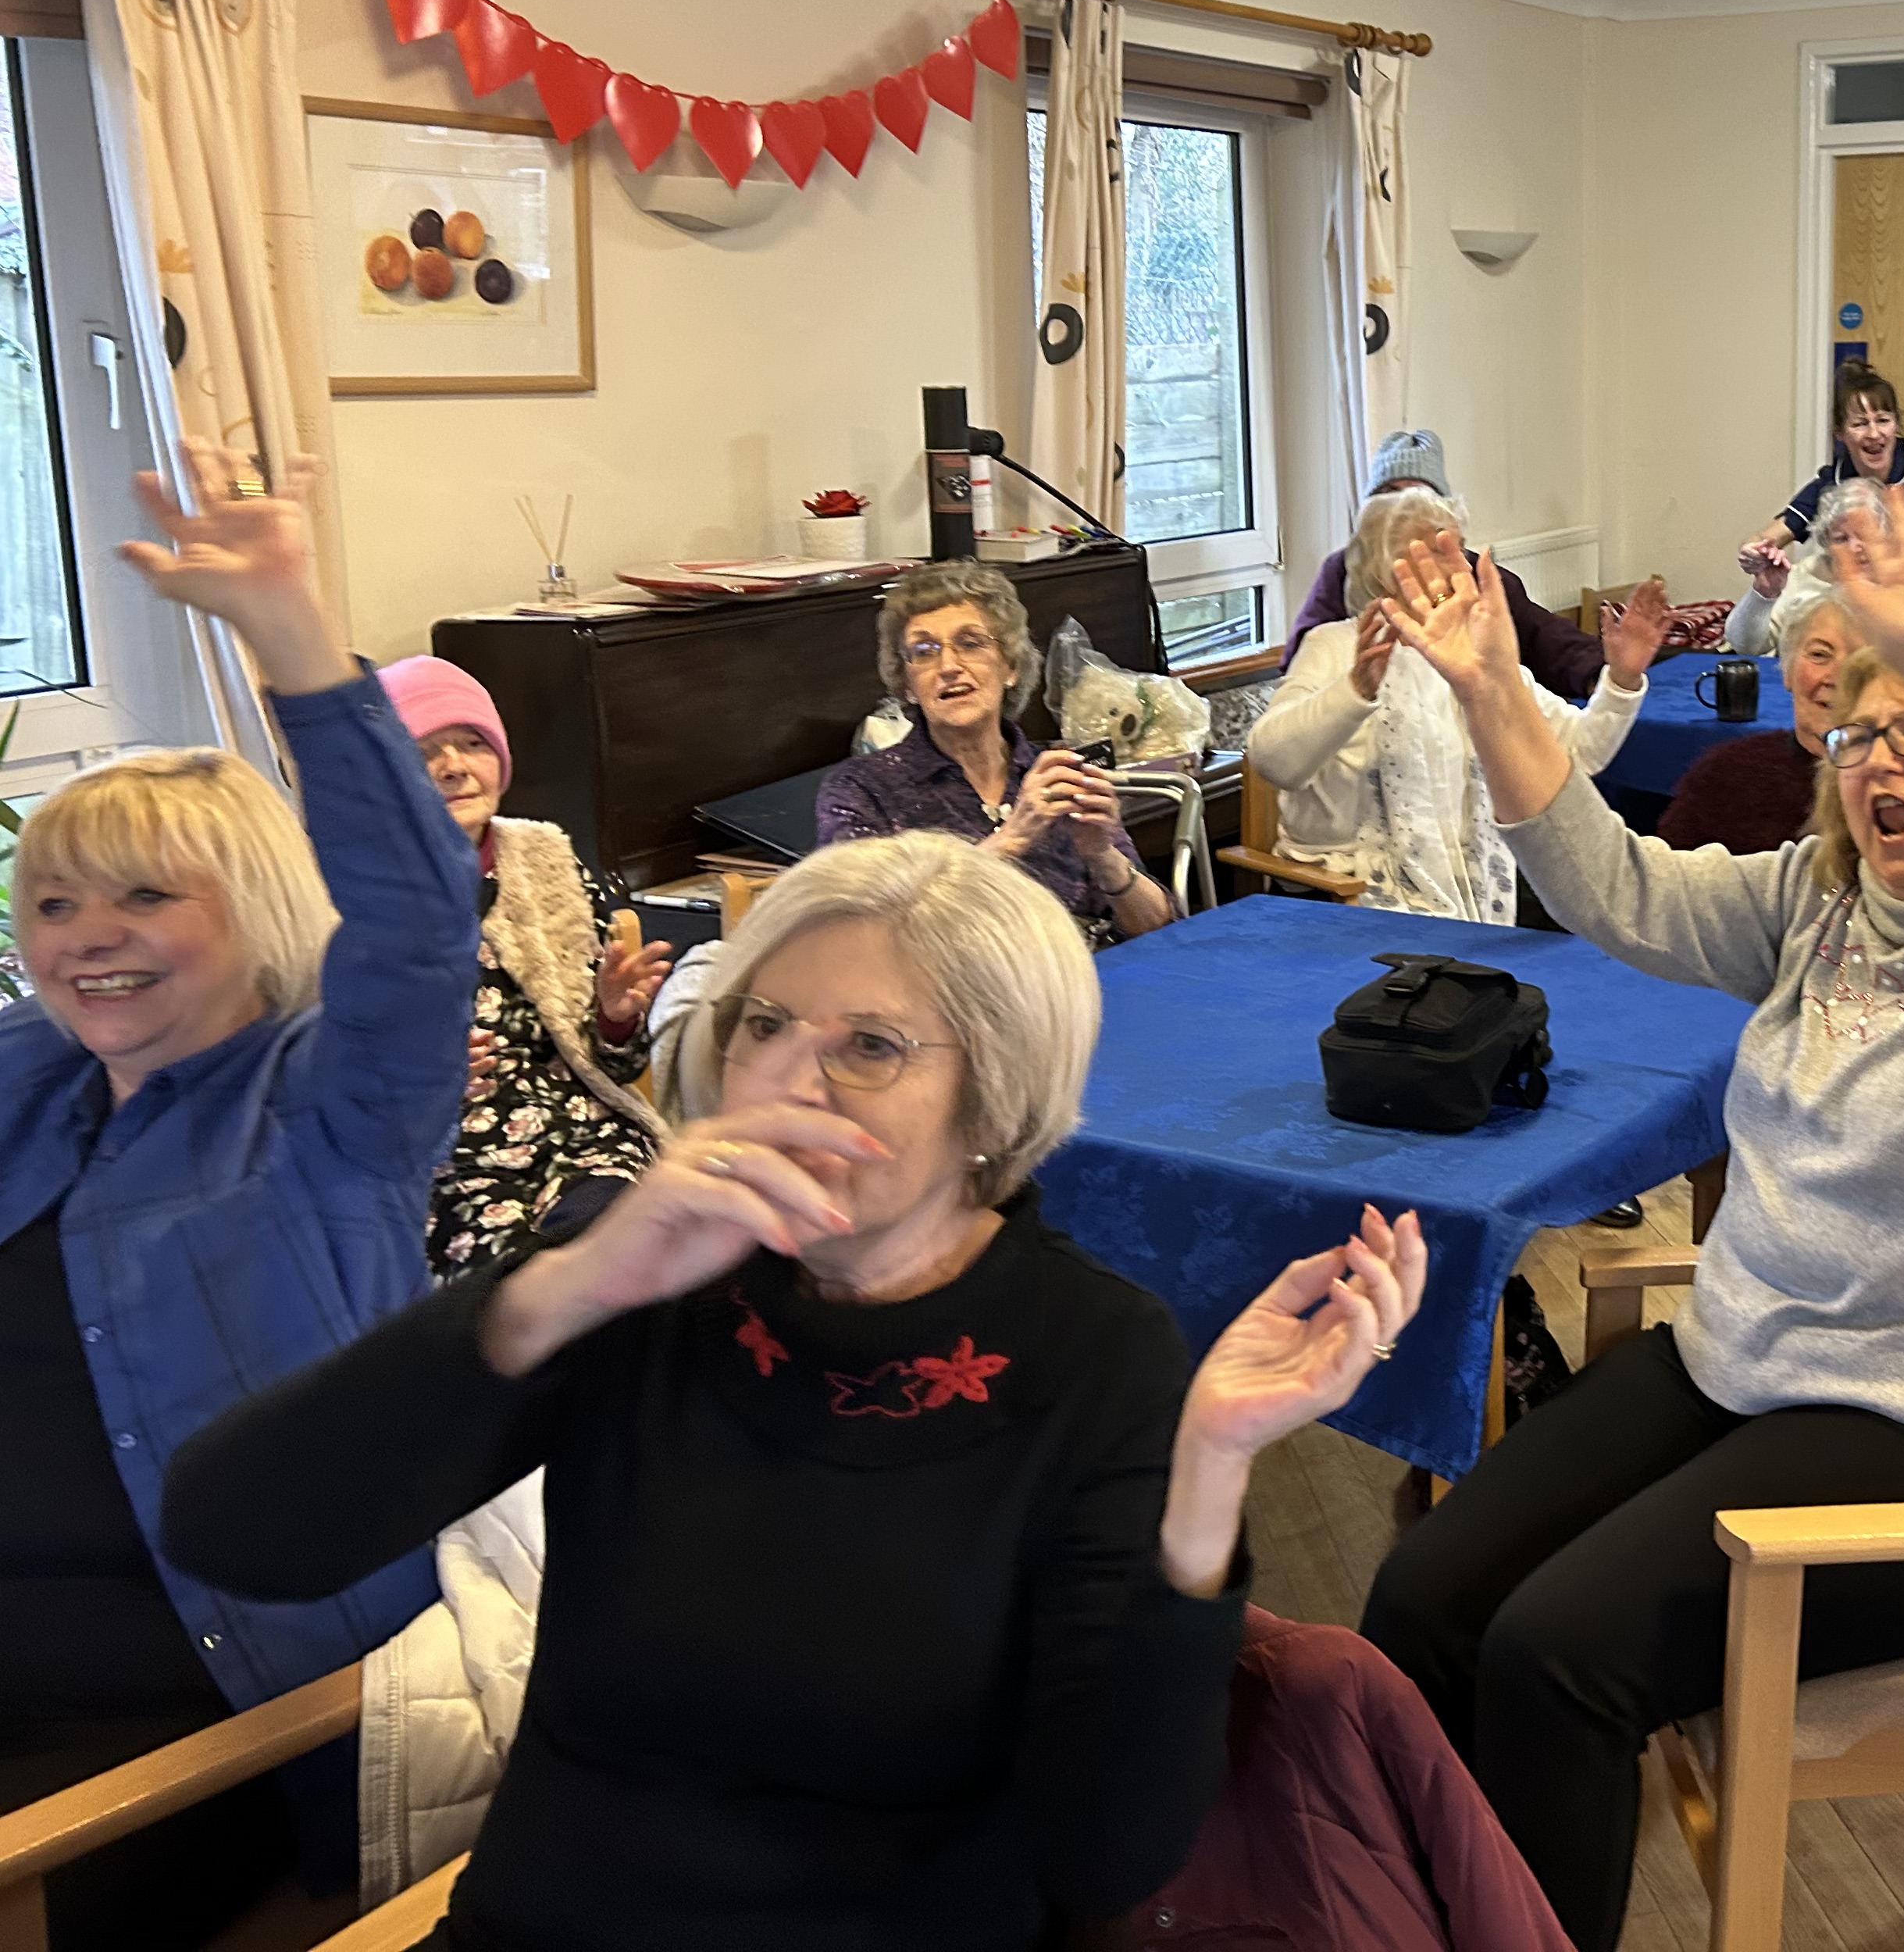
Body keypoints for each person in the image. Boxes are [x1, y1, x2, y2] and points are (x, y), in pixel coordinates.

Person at [160, 830, 1429, 1952]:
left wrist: (1206, 1475)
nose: (783, 1079)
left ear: (992, 1089)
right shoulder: (643, 1269)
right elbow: (238, 1528)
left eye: (868, 1043)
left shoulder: (1093, 1354)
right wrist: (573, 1281)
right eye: (762, 1023)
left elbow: (1103, 1854)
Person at [1357, 490, 1904, 1952]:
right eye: (1859, 735)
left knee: (1560, 1652)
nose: (1882, 763)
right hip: (1750, 1366)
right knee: (1424, 1590)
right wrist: (1490, 687)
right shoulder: (1825, 897)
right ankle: (1418, 1917)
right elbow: (1618, 886)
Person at [1, 443, 474, 1950]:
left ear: (252, 908)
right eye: (57, 899)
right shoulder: (33, 1080)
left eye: (148, 894)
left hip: (198, 1707)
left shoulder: (334, 1097)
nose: (89, 936)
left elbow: (417, 916)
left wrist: (287, 629)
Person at [377, 655, 672, 1275]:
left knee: (635, 1237)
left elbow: (615, 1066)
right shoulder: (355, 894)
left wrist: (616, 1018)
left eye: (472, 743)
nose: (454, 766)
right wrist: (421, 1087)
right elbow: (330, 1088)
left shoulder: (545, 860)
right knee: (524, 1285)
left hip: (584, 1138)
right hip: (447, 1165)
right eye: (425, 750)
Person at [1253, 487, 1664, 921]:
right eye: (1418, 554)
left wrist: (1621, 678)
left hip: (1477, 890)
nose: (1439, 571)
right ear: (1377, 570)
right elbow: (1273, 761)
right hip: (1346, 894)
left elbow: (1580, 751)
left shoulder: (1475, 656)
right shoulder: (1333, 647)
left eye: (1448, 552)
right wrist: (1356, 690)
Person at [817, 562, 1175, 946]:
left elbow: (1160, 928)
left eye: (970, 643)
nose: (949, 666)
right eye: (924, 651)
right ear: (906, 685)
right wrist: (1010, 841)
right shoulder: (860, 791)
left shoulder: (1056, 773)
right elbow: (864, 938)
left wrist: (1102, 854)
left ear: (1011, 668)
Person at [1284, 430, 1606, 703]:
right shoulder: (1341, 572)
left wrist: (1602, 673)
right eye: (1390, 495)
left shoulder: (1474, 572)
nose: (1404, 508)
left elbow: (1541, 636)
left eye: (1419, 495)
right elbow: (1306, 667)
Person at [1735, 365, 1904, 587]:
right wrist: (1754, 553)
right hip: (1863, 594)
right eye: (1859, 424)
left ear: (1896, 425)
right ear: (1840, 434)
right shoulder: (1833, 483)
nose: (1874, 434)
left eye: (1883, 420)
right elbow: (1766, 538)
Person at [1725, 476, 1904, 655]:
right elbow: (1746, 645)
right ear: (1827, 542)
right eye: (1842, 538)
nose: (1856, 548)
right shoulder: (1809, 576)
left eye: (1866, 534)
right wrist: (1762, 596)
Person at [1657, 592, 1856, 855]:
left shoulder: (1898, 782)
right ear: (1787, 670)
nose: (1836, 677)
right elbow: (1673, 879)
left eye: (1858, 660)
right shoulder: (1726, 774)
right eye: (1819, 655)